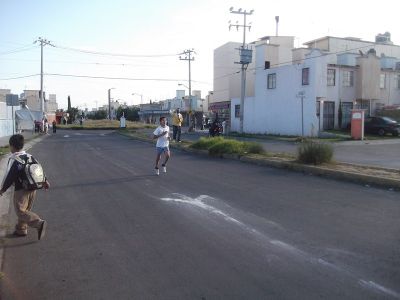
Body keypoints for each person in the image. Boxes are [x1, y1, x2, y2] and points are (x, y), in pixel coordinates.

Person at [0, 134, 50, 240]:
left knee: (21, 211)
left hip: (21, 190)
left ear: (12, 146)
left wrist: (2, 189)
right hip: (33, 188)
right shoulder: (29, 156)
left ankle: (39, 223)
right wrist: (45, 181)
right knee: (26, 210)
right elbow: (38, 169)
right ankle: (21, 229)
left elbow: (9, 176)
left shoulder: (14, 159)